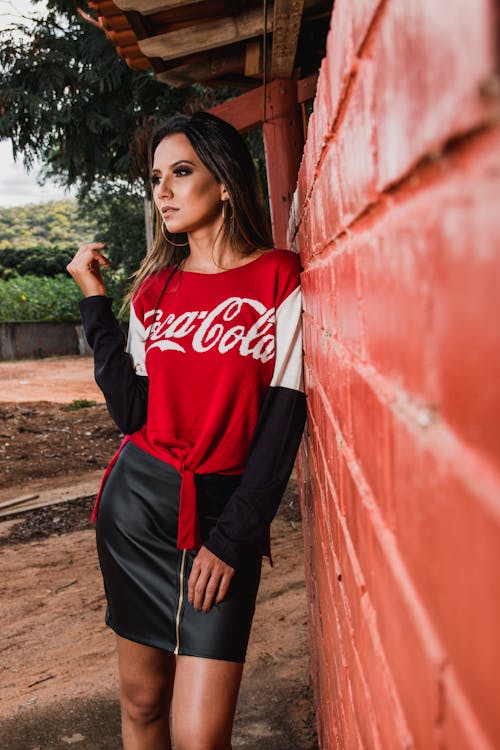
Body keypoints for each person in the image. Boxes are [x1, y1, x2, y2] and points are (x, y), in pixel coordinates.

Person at [67, 110, 306, 750]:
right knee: (144, 705)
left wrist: (235, 539)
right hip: (138, 508)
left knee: (201, 736)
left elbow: (284, 420)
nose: (163, 191)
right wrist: (95, 301)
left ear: (225, 182)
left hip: (225, 514)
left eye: (181, 172)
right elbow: (131, 412)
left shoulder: (281, 278)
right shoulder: (155, 292)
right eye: (155, 178)